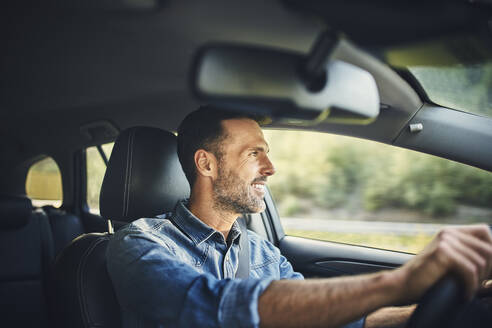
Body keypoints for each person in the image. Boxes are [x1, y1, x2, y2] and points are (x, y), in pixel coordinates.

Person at [107, 106, 492, 328]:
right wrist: (398, 281)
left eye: (267, 153)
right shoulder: (140, 245)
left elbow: (330, 320)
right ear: (206, 164)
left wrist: (443, 303)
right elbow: (211, 306)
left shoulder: (263, 253)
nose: (271, 168)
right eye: (254, 153)